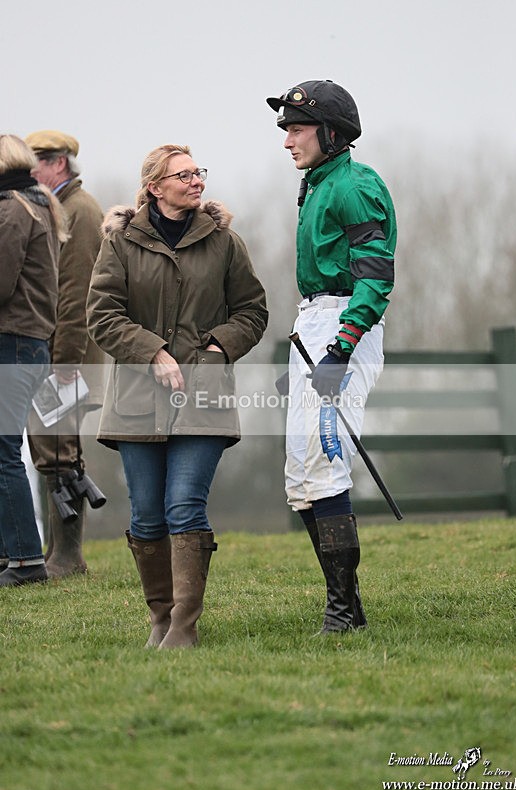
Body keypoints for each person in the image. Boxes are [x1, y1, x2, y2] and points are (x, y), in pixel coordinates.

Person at [86, 143, 268, 649]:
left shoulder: (225, 242)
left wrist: (214, 351)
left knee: (185, 505)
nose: (196, 182)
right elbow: (102, 316)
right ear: (154, 187)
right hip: (136, 401)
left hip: (204, 398)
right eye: (184, 175)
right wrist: (153, 352)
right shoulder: (119, 243)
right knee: (146, 513)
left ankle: (184, 628)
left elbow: (252, 311)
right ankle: (160, 620)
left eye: (198, 173)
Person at [266, 80, 397, 633]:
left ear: (330, 133)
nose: (288, 141)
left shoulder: (357, 184)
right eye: (288, 130)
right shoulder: (315, 184)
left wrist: (341, 349)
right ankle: (348, 605)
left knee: (324, 460)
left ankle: (342, 611)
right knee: (300, 475)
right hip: (313, 322)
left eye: (296, 129)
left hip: (345, 324)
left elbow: (375, 276)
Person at [24, 130, 106, 578]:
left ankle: (67, 557)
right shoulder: (61, 207)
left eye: (35, 162)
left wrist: (65, 363)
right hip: (58, 354)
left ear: (59, 163)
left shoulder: (80, 210)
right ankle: (57, 550)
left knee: (61, 450)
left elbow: (76, 297)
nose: (29, 172)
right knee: (49, 448)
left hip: (67, 356)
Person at [0, 134, 68, 587]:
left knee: (3, 453)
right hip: (30, 342)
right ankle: (16, 555)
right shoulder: (38, 204)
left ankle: (25, 560)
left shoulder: (11, 209)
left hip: (12, 342)